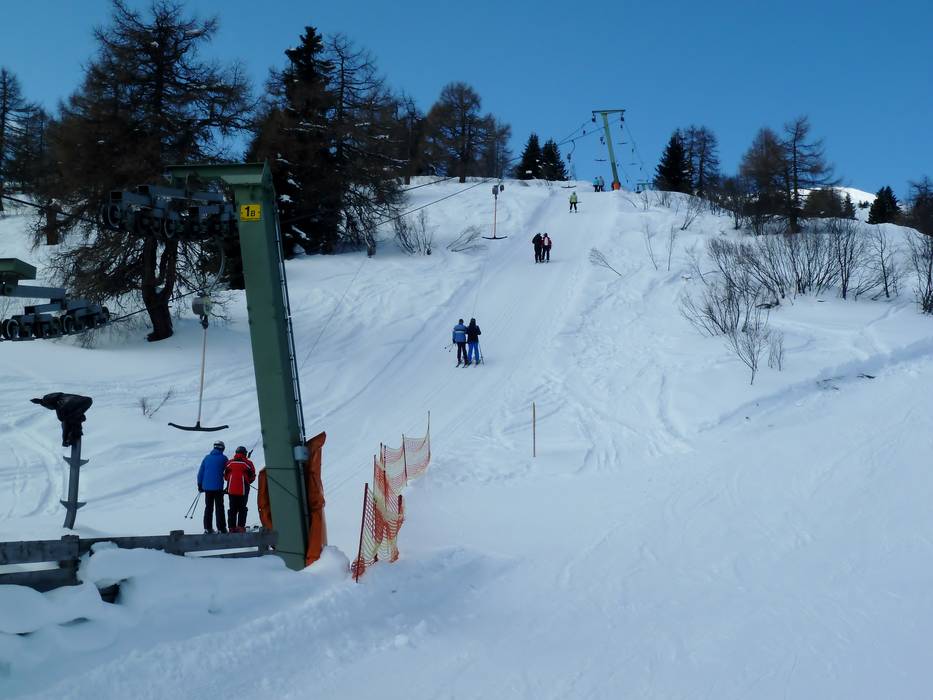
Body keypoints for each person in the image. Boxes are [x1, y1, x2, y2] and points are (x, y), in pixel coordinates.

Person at [197, 440, 228, 534]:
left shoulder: (206, 458)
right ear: (222, 448)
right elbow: (228, 472)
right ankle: (221, 528)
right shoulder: (224, 458)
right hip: (218, 487)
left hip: (207, 488)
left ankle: (208, 528)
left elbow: (200, 472)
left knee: (208, 507)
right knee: (219, 507)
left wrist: (200, 485)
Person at [224, 446, 256, 533]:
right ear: (244, 453)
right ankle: (241, 527)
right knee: (242, 508)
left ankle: (231, 528)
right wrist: (248, 481)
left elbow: (226, 476)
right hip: (243, 489)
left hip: (231, 489)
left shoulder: (229, 463)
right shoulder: (248, 463)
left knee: (232, 508)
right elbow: (252, 476)